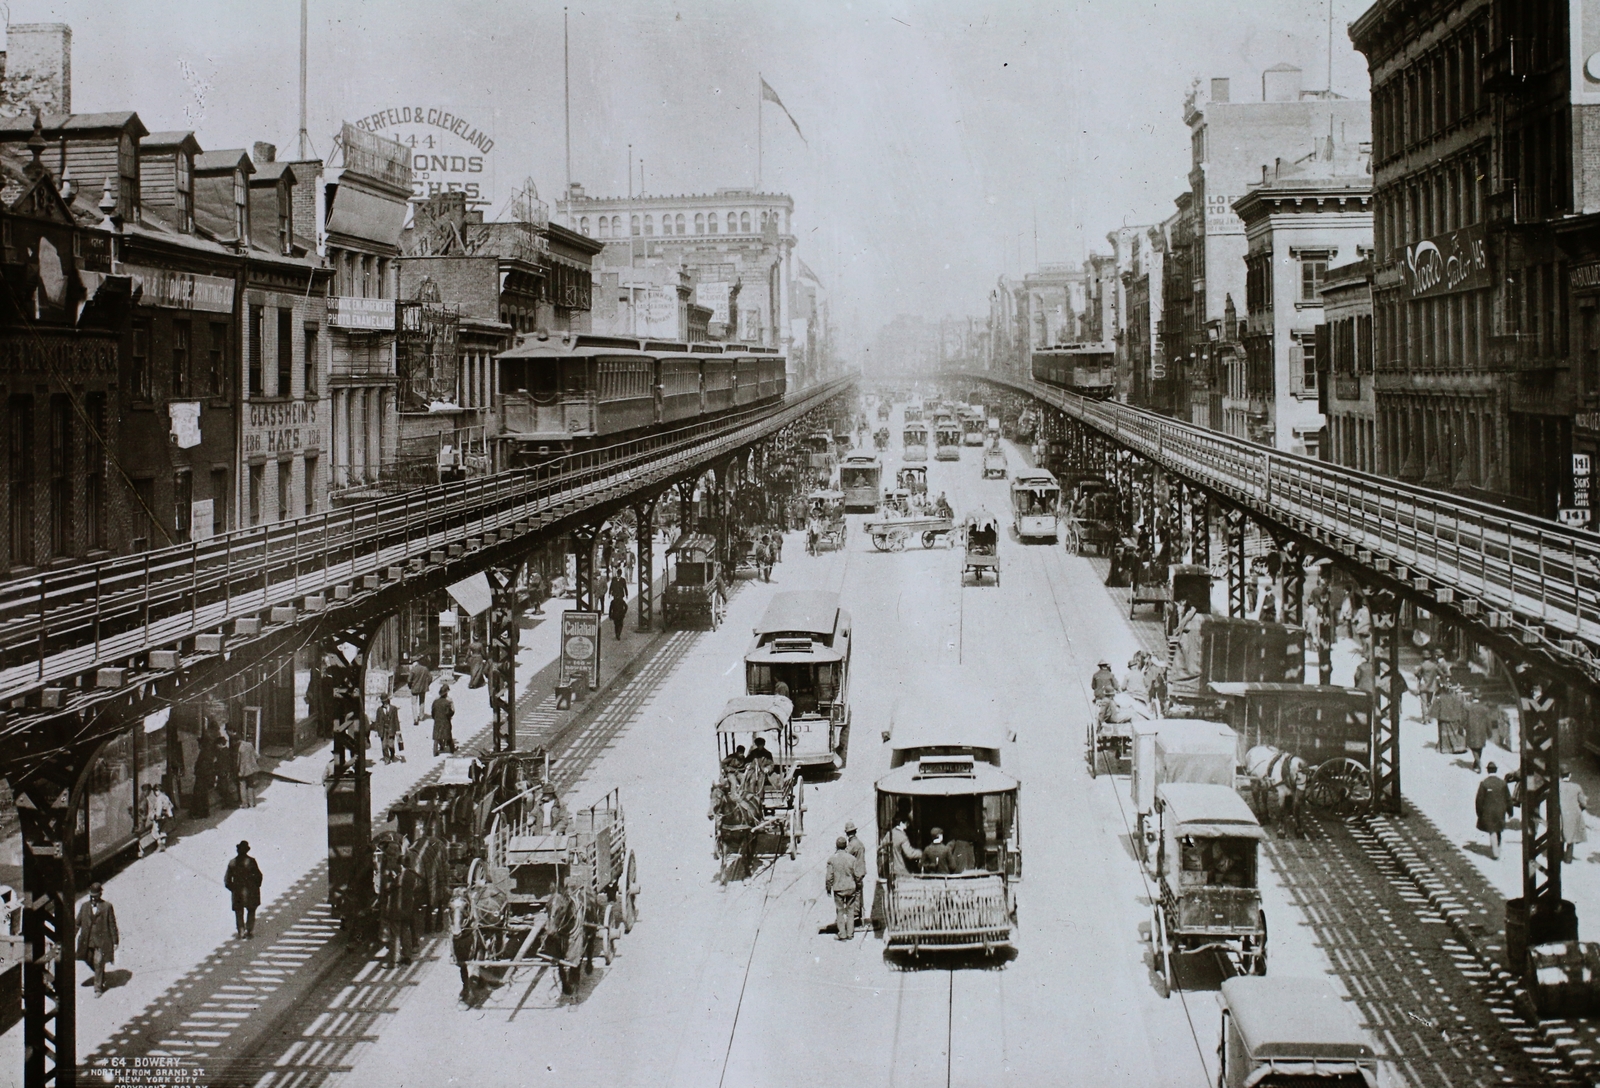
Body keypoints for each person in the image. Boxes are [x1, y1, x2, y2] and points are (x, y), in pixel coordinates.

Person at [76, 882, 119, 997]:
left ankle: (98, 988)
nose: (93, 898)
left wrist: (115, 941)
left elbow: (112, 924)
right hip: (87, 940)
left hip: (101, 941)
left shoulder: (107, 906)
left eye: (95, 896)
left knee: (98, 962)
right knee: (88, 959)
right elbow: (77, 923)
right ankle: (100, 974)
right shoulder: (84, 906)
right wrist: (70, 938)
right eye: (91, 896)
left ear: (100, 894)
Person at [225, 841, 263, 939]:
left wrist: (233, 888)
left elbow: (227, 880)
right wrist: (256, 886)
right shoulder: (251, 861)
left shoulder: (232, 862)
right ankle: (249, 931)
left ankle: (241, 931)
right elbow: (259, 876)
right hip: (250, 891)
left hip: (237, 892)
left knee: (239, 912)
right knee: (251, 910)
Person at [825, 836, 859, 940]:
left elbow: (829, 876)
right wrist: (857, 885)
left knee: (840, 911)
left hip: (838, 889)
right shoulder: (852, 859)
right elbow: (856, 874)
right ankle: (850, 934)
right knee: (850, 911)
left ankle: (842, 934)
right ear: (845, 846)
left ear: (836, 846)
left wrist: (828, 888)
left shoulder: (832, 859)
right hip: (850, 887)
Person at [1476, 763, 1511, 859]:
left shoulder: (1484, 783)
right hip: (1500, 811)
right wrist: (1510, 811)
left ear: (1488, 770)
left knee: (1492, 830)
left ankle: (1496, 852)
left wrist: (1479, 813)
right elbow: (1508, 798)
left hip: (1488, 812)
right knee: (1498, 829)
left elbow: (1479, 800)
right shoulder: (1502, 783)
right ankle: (1497, 848)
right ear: (1496, 770)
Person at [1561, 771, 1590, 864]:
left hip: (1560, 813)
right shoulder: (1576, 787)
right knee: (1571, 837)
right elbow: (1583, 803)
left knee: (1560, 835)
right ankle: (1568, 859)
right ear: (1570, 775)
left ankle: (1559, 856)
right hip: (1573, 814)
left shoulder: (1557, 786)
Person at [844, 822, 868, 925]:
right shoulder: (859, 843)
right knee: (858, 893)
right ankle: (858, 915)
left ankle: (855, 916)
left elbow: (844, 855)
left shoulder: (852, 844)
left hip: (855, 873)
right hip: (861, 871)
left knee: (854, 894)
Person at [1465, 696, 1494, 774]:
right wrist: (1489, 732)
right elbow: (1488, 721)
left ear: (1472, 698)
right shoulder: (1485, 708)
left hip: (1471, 730)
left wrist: (1463, 727)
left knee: (1473, 747)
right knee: (1479, 747)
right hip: (1482, 730)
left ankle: (1478, 764)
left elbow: (1464, 720)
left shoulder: (1468, 708)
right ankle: (1476, 763)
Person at [374, 693, 401, 765]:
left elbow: (396, 720)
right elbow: (377, 721)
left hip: (391, 729)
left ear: (388, 701)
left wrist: (398, 730)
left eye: (385, 701)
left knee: (391, 745)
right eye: (383, 702)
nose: (384, 703)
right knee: (384, 745)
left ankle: (392, 754)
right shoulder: (379, 710)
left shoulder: (393, 709)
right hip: (383, 730)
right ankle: (386, 758)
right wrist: (376, 730)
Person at [236, 734, 261, 808]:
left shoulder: (239, 748)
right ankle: (252, 803)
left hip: (243, 770)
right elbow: (257, 756)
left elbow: (238, 761)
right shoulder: (249, 745)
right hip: (251, 769)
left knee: (242, 786)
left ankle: (245, 804)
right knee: (250, 785)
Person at [431, 684, 457, 756]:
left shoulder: (435, 702)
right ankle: (452, 748)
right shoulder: (447, 702)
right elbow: (450, 712)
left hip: (437, 720)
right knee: (448, 735)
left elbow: (433, 712)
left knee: (437, 735)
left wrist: (435, 717)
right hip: (445, 720)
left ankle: (438, 748)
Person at [1416, 650, 1441, 723]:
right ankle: (1430, 717)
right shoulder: (1434, 665)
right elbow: (1441, 673)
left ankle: (1425, 719)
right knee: (1430, 702)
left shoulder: (1422, 665)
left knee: (1424, 702)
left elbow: (1416, 672)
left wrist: (1420, 676)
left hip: (1423, 686)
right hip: (1431, 686)